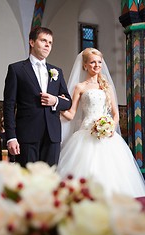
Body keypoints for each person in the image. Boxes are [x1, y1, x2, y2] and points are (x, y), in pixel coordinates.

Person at [57, 48, 145, 198]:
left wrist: (111, 127)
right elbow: (71, 114)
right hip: (86, 133)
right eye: (92, 62)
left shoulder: (106, 87)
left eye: (99, 62)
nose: (97, 65)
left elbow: (115, 114)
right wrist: (57, 106)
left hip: (107, 134)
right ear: (85, 65)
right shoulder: (80, 87)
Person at [3, 26, 72, 167]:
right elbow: (9, 105)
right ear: (32, 42)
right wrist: (11, 137)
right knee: (27, 181)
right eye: (43, 40)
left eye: (50, 42)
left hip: (52, 135)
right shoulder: (16, 69)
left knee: (50, 180)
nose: (47, 45)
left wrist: (55, 100)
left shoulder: (56, 71)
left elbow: (68, 102)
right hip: (27, 135)